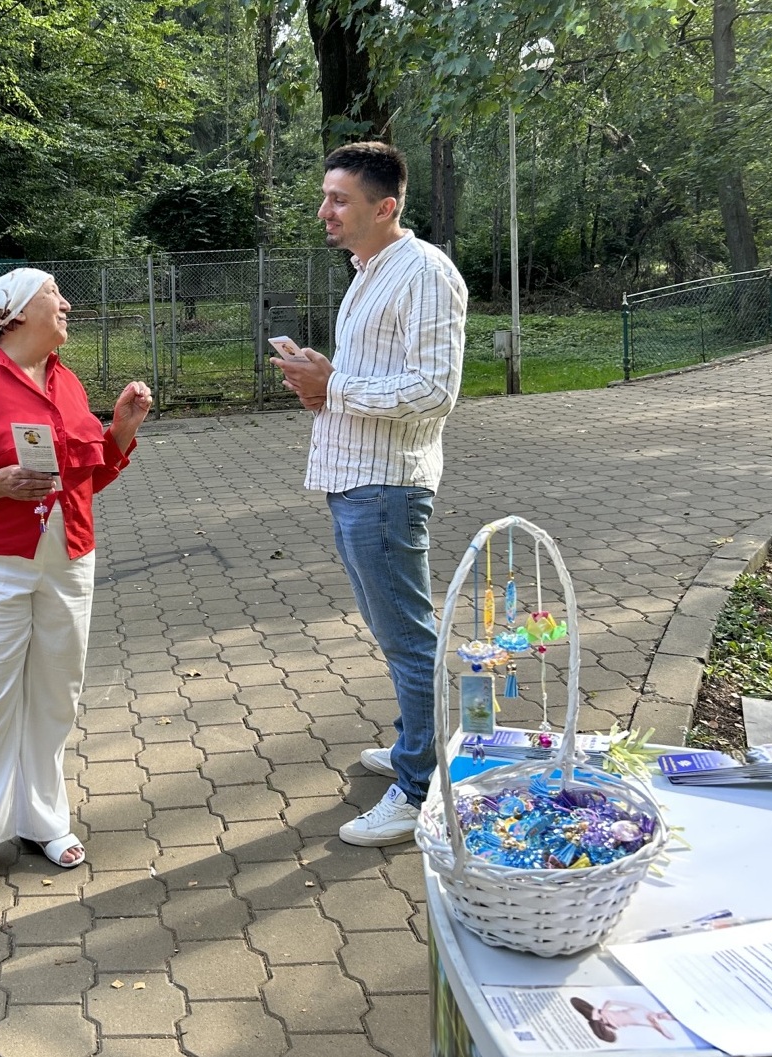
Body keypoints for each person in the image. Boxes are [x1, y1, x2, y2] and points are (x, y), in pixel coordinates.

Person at [0, 267, 153, 899]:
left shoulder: (66, 381)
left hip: (68, 558)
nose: (66, 303)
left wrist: (121, 431)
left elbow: (87, 479)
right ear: (15, 312)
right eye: (53, 295)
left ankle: (41, 818)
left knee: (56, 695)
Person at [272, 141, 467, 846]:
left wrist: (337, 386)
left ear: (384, 207)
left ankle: (420, 787)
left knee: (408, 638)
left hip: (387, 486)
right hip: (354, 477)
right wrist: (322, 380)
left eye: (339, 199)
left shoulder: (425, 273)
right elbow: (374, 379)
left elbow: (435, 391)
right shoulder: (368, 272)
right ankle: (417, 744)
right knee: (394, 633)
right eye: (325, 196)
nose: (325, 210)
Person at [569, 997, 677, 1043]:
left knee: (611, 1038)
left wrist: (657, 1024)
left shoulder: (652, 1023)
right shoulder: (642, 1008)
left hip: (608, 1026)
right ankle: (595, 1018)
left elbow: (671, 1037)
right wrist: (604, 1011)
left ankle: (595, 1019)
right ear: (664, 1011)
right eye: (668, 1014)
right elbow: (612, 1002)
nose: (666, 1016)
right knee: (575, 1001)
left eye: (670, 1018)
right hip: (603, 1015)